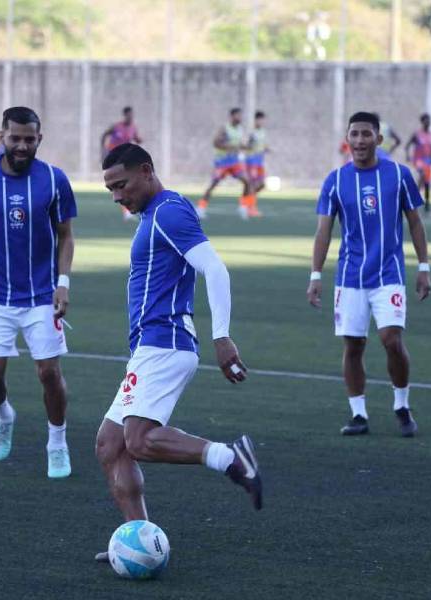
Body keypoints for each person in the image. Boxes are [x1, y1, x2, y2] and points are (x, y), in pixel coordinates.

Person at [94, 142, 262, 562]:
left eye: (122, 185)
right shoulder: (154, 213)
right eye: (110, 189)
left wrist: (222, 335)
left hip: (165, 343)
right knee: (110, 444)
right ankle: (139, 540)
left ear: (147, 170)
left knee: (139, 441)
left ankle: (230, 458)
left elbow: (214, 267)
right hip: (150, 346)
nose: (118, 196)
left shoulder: (168, 211)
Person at [0, 106, 77, 479]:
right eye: (15, 138)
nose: (22, 146)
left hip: (41, 295)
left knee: (49, 373)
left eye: (30, 139)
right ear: (2, 135)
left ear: (40, 138)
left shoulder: (54, 180)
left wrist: (63, 283)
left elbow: (66, 235)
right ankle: (3, 415)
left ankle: (57, 442)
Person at [307, 112, 431, 437]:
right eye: (354, 134)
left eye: (366, 134)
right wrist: (315, 275)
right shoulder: (335, 180)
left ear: (379, 139)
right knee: (354, 345)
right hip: (350, 277)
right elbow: (324, 231)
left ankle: (401, 405)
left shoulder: (399, 175)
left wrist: (424, 266)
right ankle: (358, 413)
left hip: (389, 272)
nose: (360, 140)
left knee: (391, 339)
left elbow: (415, 222)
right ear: (347, 139)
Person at [197, 108, 253, 220]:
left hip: (234, 162)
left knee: (246, 181)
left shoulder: (240, 129)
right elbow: (216, 143)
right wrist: (230, 146)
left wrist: (246, 147)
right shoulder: (224, 128)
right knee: (213, 185)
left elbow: (238, 145)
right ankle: (200, 208)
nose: (240, 118)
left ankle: (243, 207)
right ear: (232, 116)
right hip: (222, 162)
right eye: (238, 115)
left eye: (241, 116)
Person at [101, 106, 143, 222]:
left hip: (126, 159)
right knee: (122, 185)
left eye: (132, 115)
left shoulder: (133, 128)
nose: (131, 117)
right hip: (115, 159)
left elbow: (136, 138)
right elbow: (105, 135)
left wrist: (139, 140)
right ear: (124, 115)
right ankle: (127, 210)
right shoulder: (116, 127)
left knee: (127, 184)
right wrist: (104, 149)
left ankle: (129, 209)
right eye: (129, 115)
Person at [405, 113, 431, 215]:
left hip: (427, 161)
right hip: (418, 160)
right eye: (426, 120)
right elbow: (407, 145)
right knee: (422, 175)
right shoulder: (417, 134)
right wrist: (407, 156)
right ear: (422, 122)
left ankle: (427, 207)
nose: (428, 122)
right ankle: (414, 200)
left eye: (429, 120)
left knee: (427, 183)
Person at [243, 110, 269, 218]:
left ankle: (246, 201)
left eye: (263, 120)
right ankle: (251, 208)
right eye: (260, 120)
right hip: (251, 160)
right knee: (252, 184)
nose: (262, 122)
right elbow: (246, 145)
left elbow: (263, 145)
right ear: (256, 120)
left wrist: (267, 149)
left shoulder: (263, 131)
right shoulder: (252, 132)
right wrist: (250, 145)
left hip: (260, 161)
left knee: (262, 184)